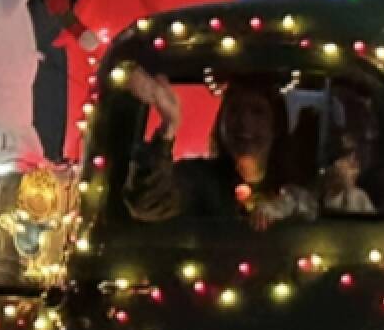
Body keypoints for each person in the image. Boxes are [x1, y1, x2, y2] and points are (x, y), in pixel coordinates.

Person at [124, 68, 315, 228]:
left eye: (258, 112)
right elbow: (147, 204)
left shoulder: (299, 186)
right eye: (234, 110)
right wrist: (169, 125)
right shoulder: (199, 178)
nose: (244, 122)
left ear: (276, 125)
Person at [320, 133, 376, 216]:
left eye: (354, 159)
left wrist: (348, 190)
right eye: (345, 156)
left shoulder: (360, 196)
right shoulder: (325, 195)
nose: (355, 170)